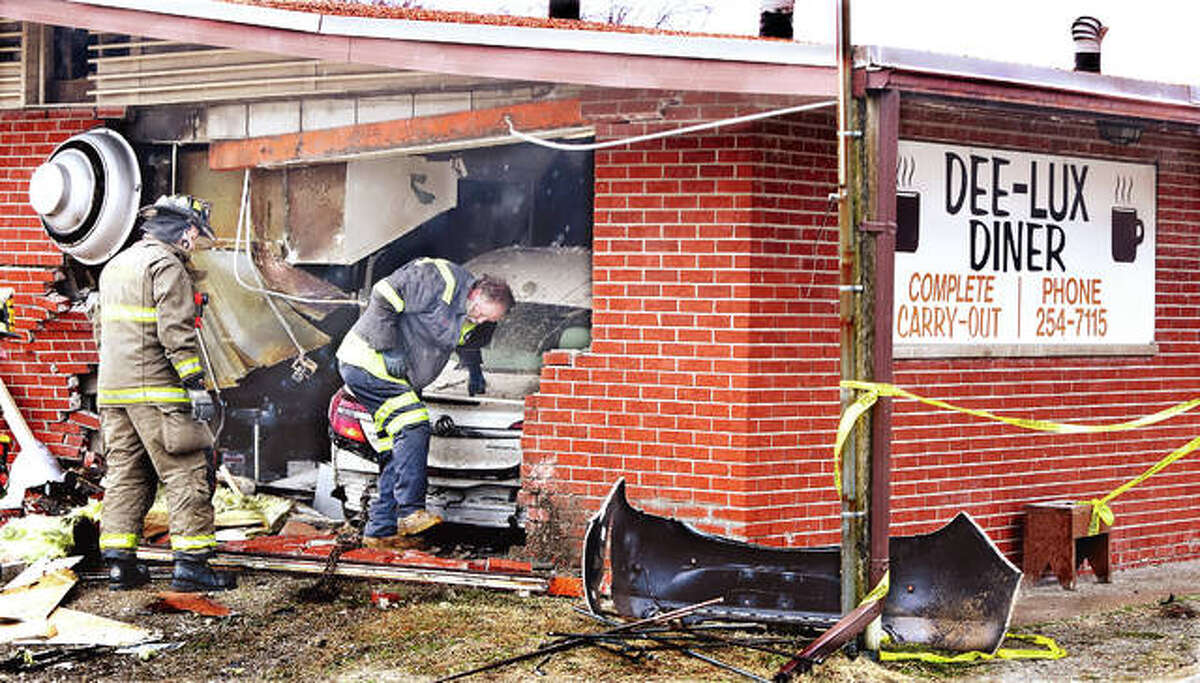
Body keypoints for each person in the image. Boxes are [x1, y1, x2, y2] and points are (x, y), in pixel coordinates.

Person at [94, 194, 236, 592]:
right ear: (187, 231)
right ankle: (192, 566)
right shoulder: (166, 265)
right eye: (198, 234)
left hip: (113, 392)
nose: (197, 243)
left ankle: (121, 565)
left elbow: (101, 332)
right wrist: (194, 385)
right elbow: (175, 331)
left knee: (126, 474)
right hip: (156, 390)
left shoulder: (116, 264)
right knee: (186, 469)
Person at [336, 257, 513, 549]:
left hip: (398, 378)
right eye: (481, 313)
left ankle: (379, 531)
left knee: (397, 450)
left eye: (487, 320)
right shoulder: (438, 279)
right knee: (414, 424)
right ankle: (410, 512)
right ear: (476, 293)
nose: (480, 320)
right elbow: (384, 294)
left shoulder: (471, 316)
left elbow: (465, 341)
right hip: (369, 361)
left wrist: (474, 368)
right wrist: (388, 347)